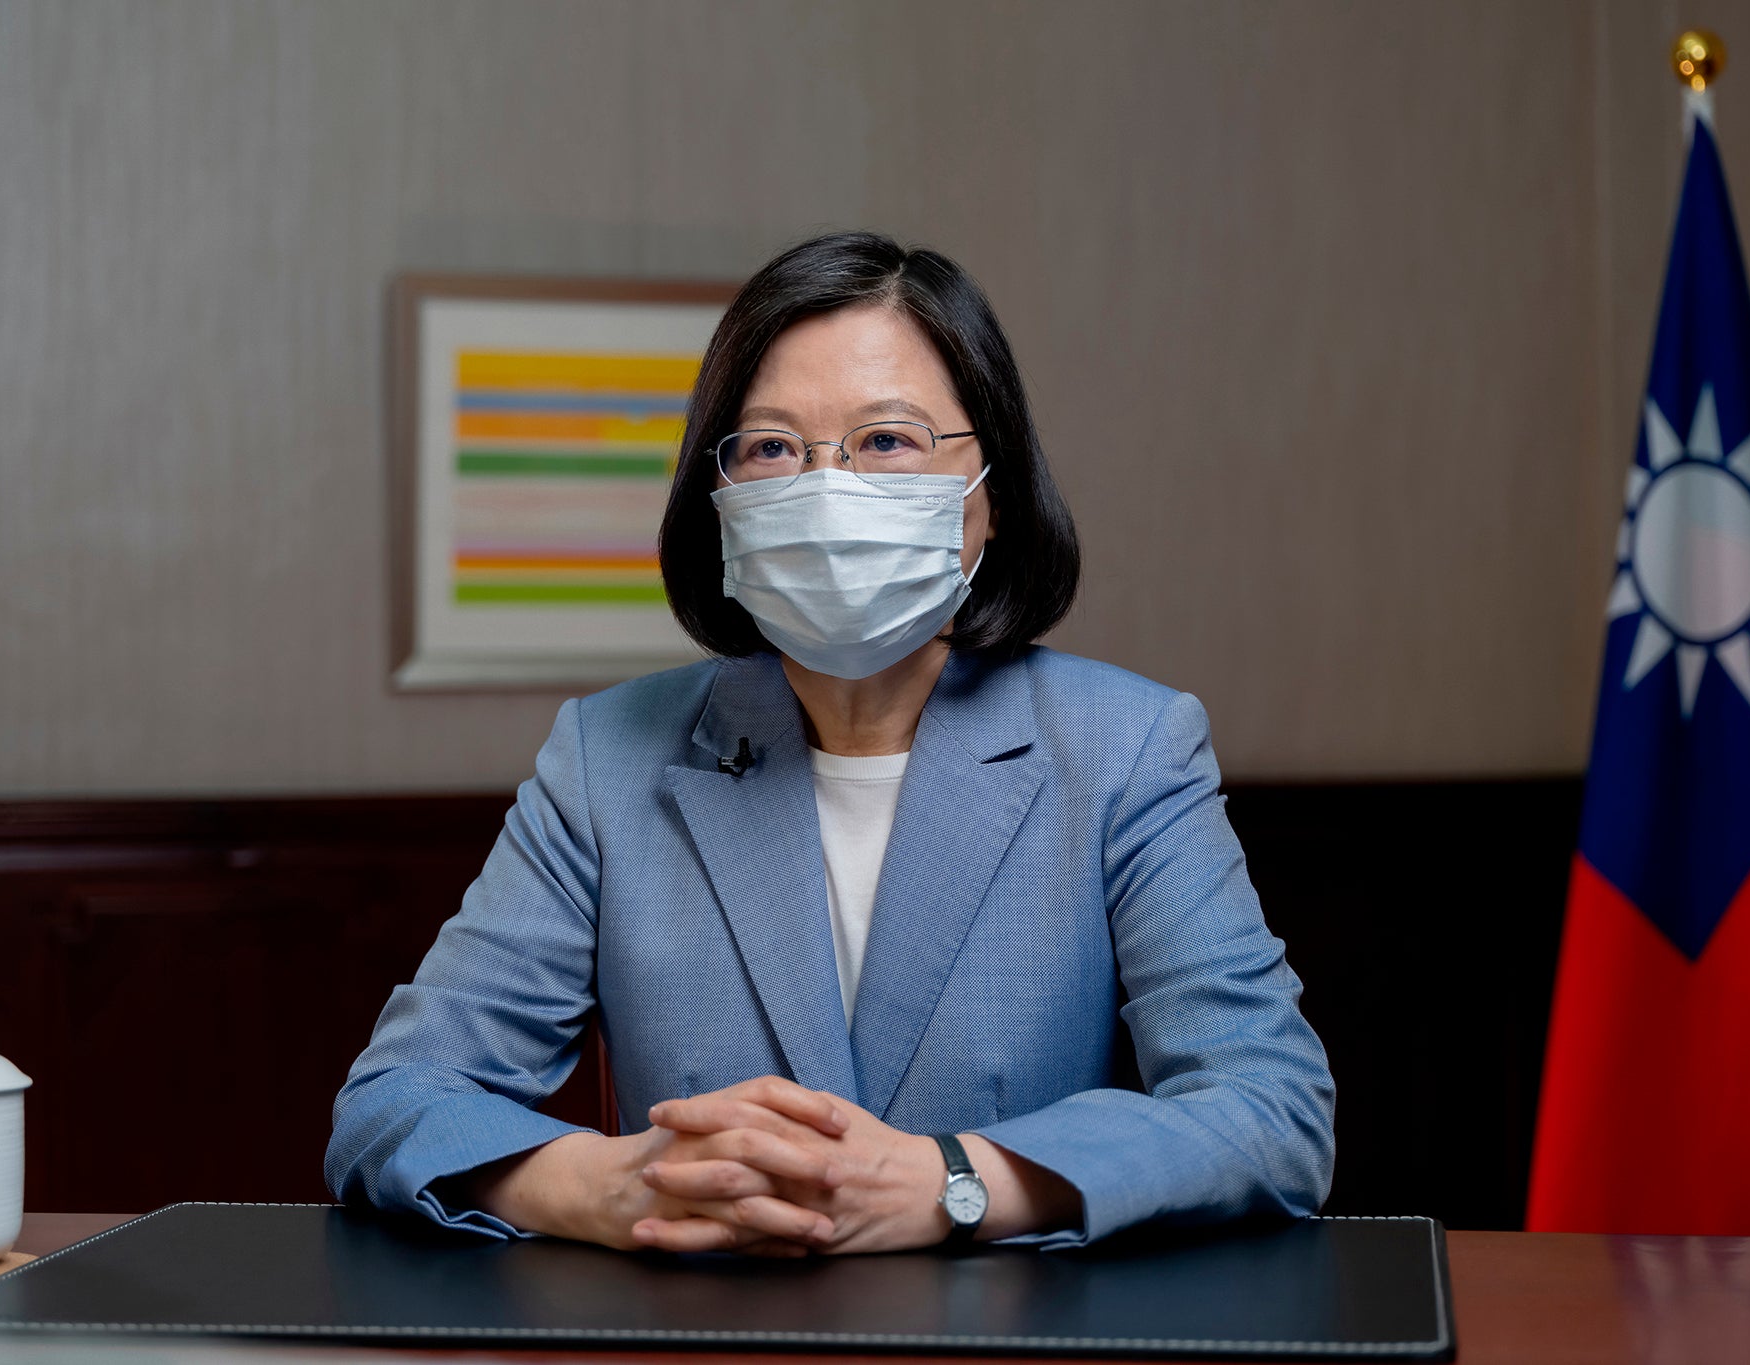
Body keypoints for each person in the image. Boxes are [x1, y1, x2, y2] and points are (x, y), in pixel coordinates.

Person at [326, 232, 1334, 1255]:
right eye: (769, 447)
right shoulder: (606, 757)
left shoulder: (1124, 748)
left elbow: (1270, 1112)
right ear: (719, 502)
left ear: (988, 490)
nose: (824, 488)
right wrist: (608, 1184)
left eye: (885, 440)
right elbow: (396, 1103)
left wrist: (951, 1185)